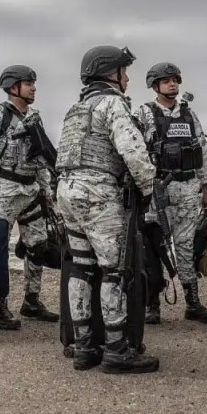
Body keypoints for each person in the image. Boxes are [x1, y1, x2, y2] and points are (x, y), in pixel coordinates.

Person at [55, 45, 158, 374]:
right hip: (98, 191)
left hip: (67, 190)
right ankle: (117, 349)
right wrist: (147, 190)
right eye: (123, 71)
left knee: (81, 268)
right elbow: (134, 152)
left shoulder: (75, 108)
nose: (127, 77)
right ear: (109, 73)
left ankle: (84, 347)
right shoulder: (112, 102)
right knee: (114, 271)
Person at [0, 65, 59, 330]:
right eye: (27, 83)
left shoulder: (35, 118)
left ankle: (31, 300)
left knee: (39, 246)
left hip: (30, 191)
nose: (33, 88)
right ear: (13, 88)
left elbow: (42, 157)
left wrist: (47, 191)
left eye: (33, 83)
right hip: (3, 192)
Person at [135, 62, 207, 325]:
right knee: (155, 249)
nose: (173, 84)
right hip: (158, 192)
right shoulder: (145, 114)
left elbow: (202, 151)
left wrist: (206, 189)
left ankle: (192, 303)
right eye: (167, 80)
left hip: (187, 189)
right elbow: (136, 153)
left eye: (175, 80)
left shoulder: (188, 115)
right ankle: (152, 304)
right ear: (155, 85)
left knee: (185, 247)